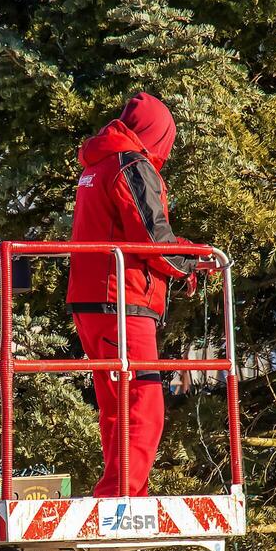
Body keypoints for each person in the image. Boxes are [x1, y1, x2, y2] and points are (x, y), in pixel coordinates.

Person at [66, 92, 196, 497]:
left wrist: (182, 252)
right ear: (158, 134)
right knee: (144, 404)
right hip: (122, 301)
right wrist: (190, 264)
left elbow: (123, 229)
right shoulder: (132, 164)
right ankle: (122, 499)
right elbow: (151, 238)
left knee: (116, 404)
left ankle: (116, 491)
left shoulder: (100, 162)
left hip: (92, 301)